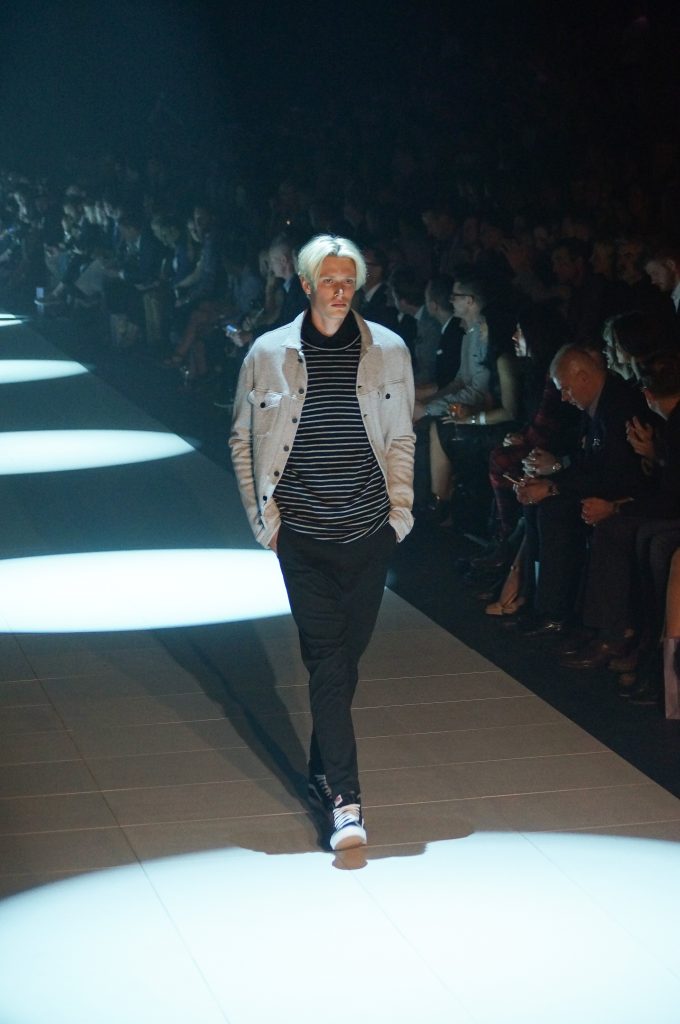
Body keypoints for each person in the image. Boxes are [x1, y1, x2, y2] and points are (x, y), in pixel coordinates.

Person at [229, 233, 415, 851]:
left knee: (343, 665)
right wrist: (266, 522)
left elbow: (402, 436)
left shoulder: (388, 350)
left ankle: (321, 768)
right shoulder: (268, 352)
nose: (340, 291)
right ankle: (346, 802)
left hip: (368, 532)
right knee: (328, 661)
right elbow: (243, 437)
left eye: (348, 281)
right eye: (329, 281)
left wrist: (399, 516)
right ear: (306, 284)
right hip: (303, 536)